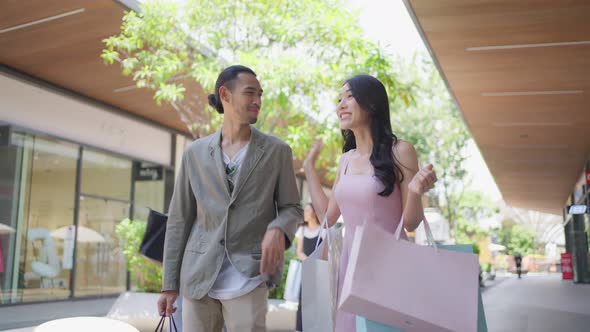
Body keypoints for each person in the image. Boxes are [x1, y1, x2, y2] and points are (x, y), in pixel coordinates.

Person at [157, 65, 303, 332]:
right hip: (199, 278)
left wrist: (278, 229)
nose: (258, 100)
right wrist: (169, 285)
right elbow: (179, 219)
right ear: (225, 94)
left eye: (260, 94)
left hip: (249, 275)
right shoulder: (195, 153)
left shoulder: (277, 151)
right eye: (250, 93)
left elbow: (292, 207)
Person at [303, 74, 438, 331]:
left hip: (389, 265)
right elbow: (327, 219)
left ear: (373, 103)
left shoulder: (400, 151)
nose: (340, 105)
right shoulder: (346, 159)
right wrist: (309, 168)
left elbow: (410, 223)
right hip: (350, 267)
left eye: (349, 96)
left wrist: (416, 191)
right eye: (339, 99)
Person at [295, 203, 323, 332]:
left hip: (319, 271)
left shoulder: (323, 230)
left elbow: (325, 252)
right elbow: (299, 252)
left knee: (318, 301)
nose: (305, 213)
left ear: (314, 213)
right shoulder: (302, 230)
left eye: (307, 210)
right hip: (306, 270)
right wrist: (309, 262)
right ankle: (300, 329)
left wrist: (316, 263)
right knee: (303, 300)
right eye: (304, 211)